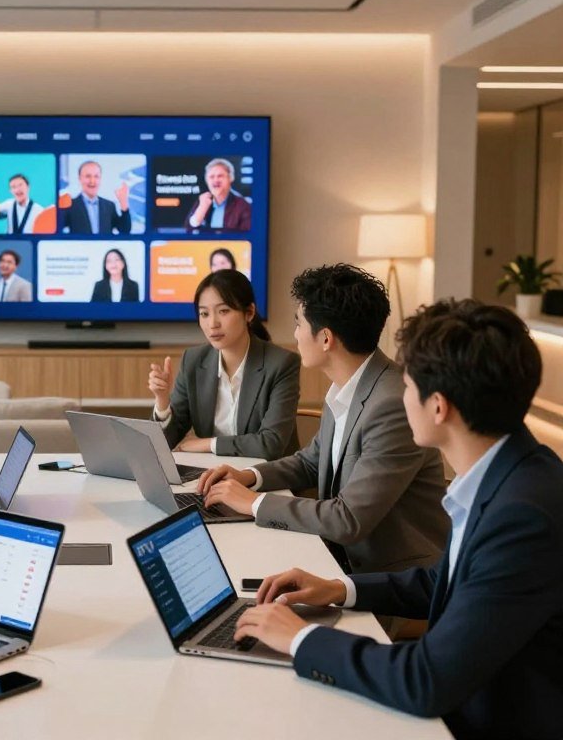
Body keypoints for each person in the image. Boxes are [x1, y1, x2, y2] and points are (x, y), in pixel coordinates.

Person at [233, 300, 563, 739]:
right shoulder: (512, 471)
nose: (400, 395)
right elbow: (445, 582)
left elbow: (426, 679)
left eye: (407, 385)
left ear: (438, 407)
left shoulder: (522, 516)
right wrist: (340, 589)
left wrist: (300, 639)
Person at [198, 264, 447, 574]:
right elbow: (311, 462)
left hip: (392, 577)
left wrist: (252, 503)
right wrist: (248, 476)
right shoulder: (348, 384)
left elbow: (348, 519)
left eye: (298, 324)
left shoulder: (393, 405)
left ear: (326, 338)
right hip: (339, 555)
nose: (295, 335)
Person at [148, 270, 300, 458]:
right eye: (204, 314)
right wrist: (162, 400)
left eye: (223, 311)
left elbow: (271, 443)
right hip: (210, 472)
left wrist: (209, 444)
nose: (213, 323)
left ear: (249, 313)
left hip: (265, 471)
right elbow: (164, 442)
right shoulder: (193, 360)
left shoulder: (281, 364)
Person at [60, 160, 131, 235]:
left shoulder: (109, 206)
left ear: (100, 179)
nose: (92, 181)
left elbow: (125, 230)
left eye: (96, 176)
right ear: (80, 179)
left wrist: (124, 203)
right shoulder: (70, 205)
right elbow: (56, 228)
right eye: (88, 176)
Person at [183, 158, 251, 233]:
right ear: (207, 181)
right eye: (211, 177)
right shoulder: (203, 200)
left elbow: (246, 235)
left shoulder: (243, 205)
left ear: (231, 178)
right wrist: (202, 208)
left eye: (220, 176)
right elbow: (189, 229)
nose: (216, 180)